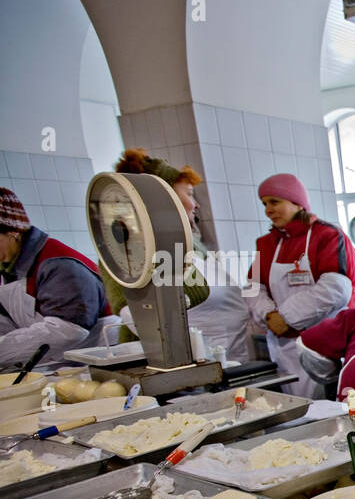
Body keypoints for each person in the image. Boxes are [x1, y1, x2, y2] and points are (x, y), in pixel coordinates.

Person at [105, 149, 253, 362]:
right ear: (165, 200)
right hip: (186, 364)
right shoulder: (124, 251)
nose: (195, 204)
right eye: (190, 194)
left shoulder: (192, 242)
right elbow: (138, 316)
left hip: (231, 356)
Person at [245, 173, 355, 397]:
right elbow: (252, 287)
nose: (268, 209)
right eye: (264, 203)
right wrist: (269, 315)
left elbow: (336, 288)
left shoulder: (327, 236)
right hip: (282, 348)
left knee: (326, 409)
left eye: (274, 202)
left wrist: (286, 317)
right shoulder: (267, 244)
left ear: (297, 202)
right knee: (294, 409)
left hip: (322, 347)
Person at [0, 187, 110, 365]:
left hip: (100, 359)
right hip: (57, 364)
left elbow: (69, 330)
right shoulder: (7, 270)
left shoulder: (58, 264)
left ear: (13, 230)